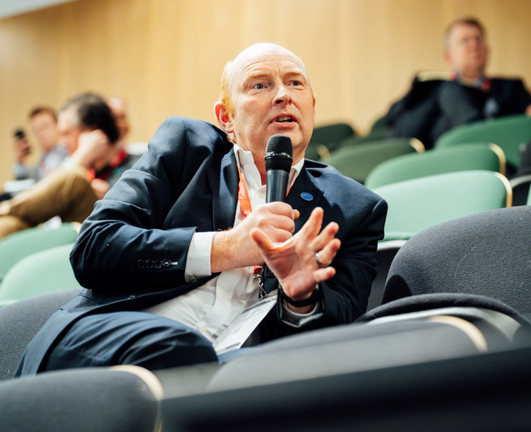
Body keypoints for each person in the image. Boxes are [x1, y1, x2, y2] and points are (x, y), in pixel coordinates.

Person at [16, 43, 388, 376]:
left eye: (296, 84)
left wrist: (300, 299)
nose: (282, 96)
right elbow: (95, 247)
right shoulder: (188, 150)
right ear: (226, 118)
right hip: (106, 344)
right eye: (260, 85)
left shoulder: (355, 207)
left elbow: (340, 321)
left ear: (311, 106)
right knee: (183, 349)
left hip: (234, 369)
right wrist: (228, 248)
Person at [384, 17, 531, 149]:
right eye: (465, 41)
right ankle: (475, 133)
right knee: (447, 89)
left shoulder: (511, 88)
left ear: (487, 49)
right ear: (449, 56)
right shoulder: (432, 88)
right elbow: (397, 124)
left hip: (503, 155)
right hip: (442, 156)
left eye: (478, 39)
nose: (474, 46)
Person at [0, 93, 140, 240]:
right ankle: (6, 213)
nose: (62, 143)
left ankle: (5, 209)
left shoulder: (135, 164)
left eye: (66, 134)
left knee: (75, 180)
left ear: (92, 132)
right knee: (11, 224)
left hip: (112, 236)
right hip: (71, 237)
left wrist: (80, 158)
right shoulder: (86, 169)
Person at [13, 107, 68, 182]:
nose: (40, 134)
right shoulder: (44, 157)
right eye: (36, 130)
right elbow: (25, 180)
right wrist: (20, 160)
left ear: (58, 125)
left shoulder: (68, 150)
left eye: (44, 127)